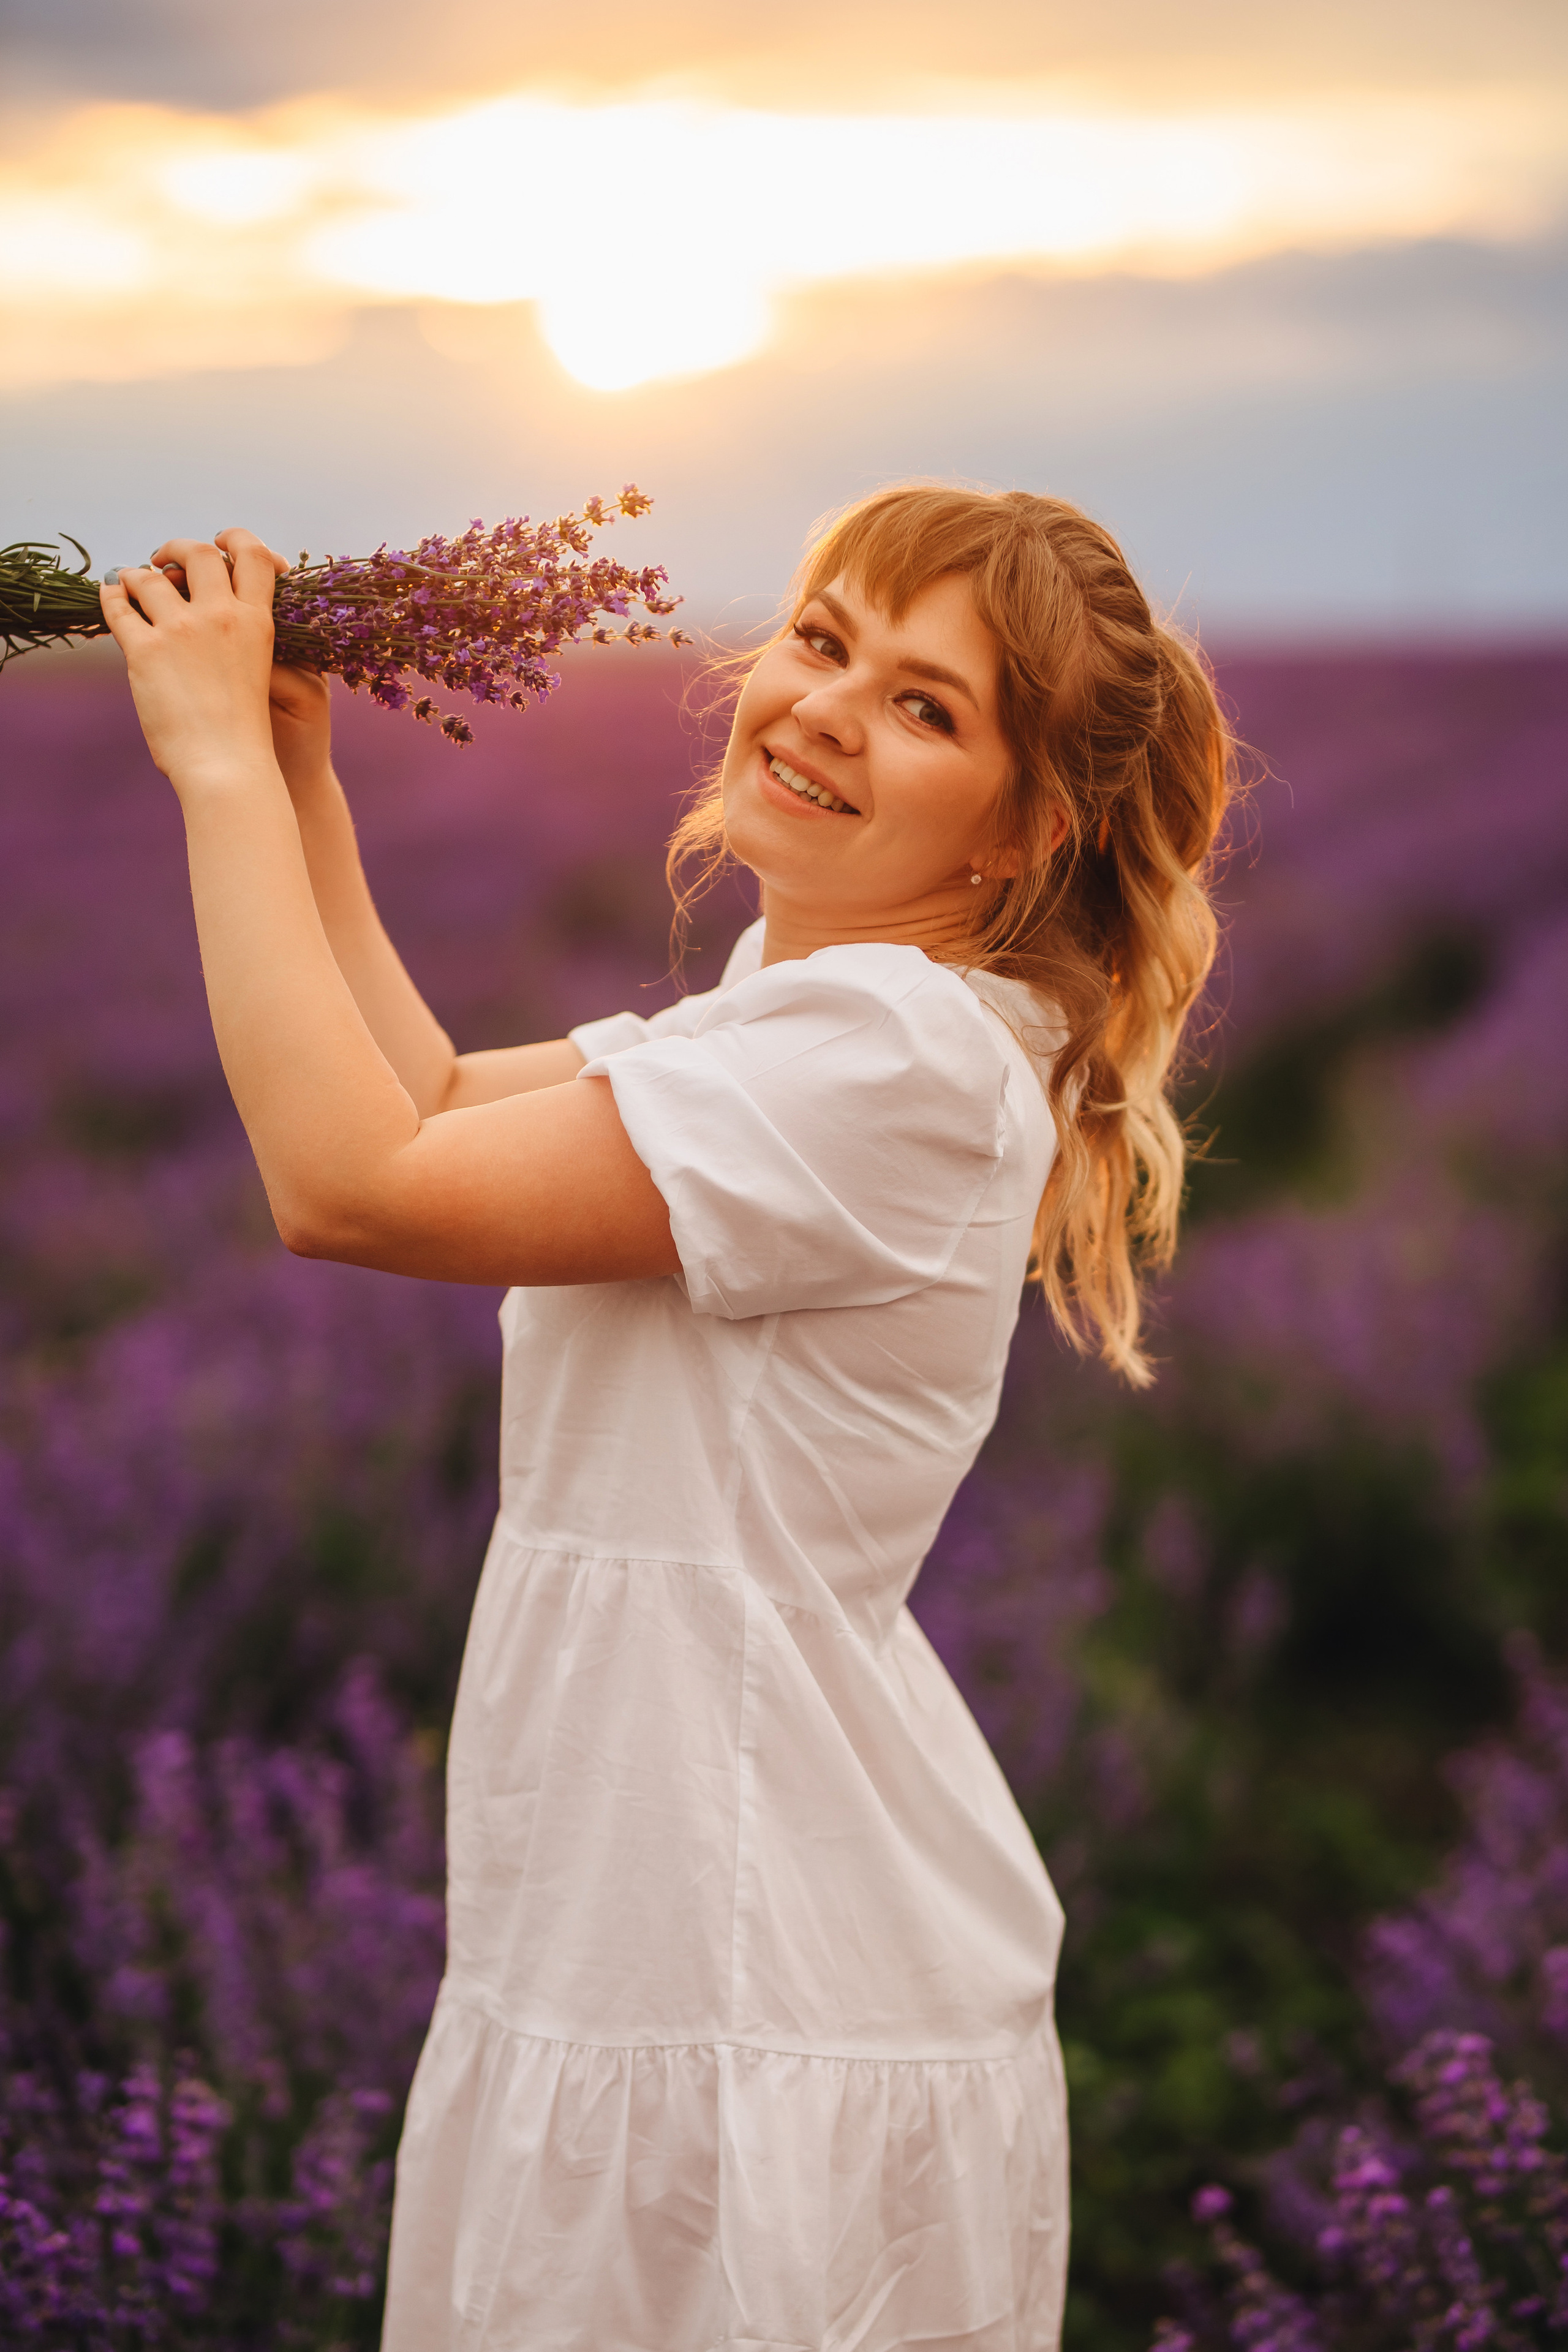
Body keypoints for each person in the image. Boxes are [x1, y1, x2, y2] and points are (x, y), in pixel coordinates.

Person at [101, 483, 1231, 2352]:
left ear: (1032, 830)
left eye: (927, 707)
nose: (825, 706)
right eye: (824, 638)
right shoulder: (805, 1014)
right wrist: (299, 777)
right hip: (645, 1923)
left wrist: (211, 764)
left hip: (752, 1978)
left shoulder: (901, 1060)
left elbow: (354, 1188)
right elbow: (443, 1100)